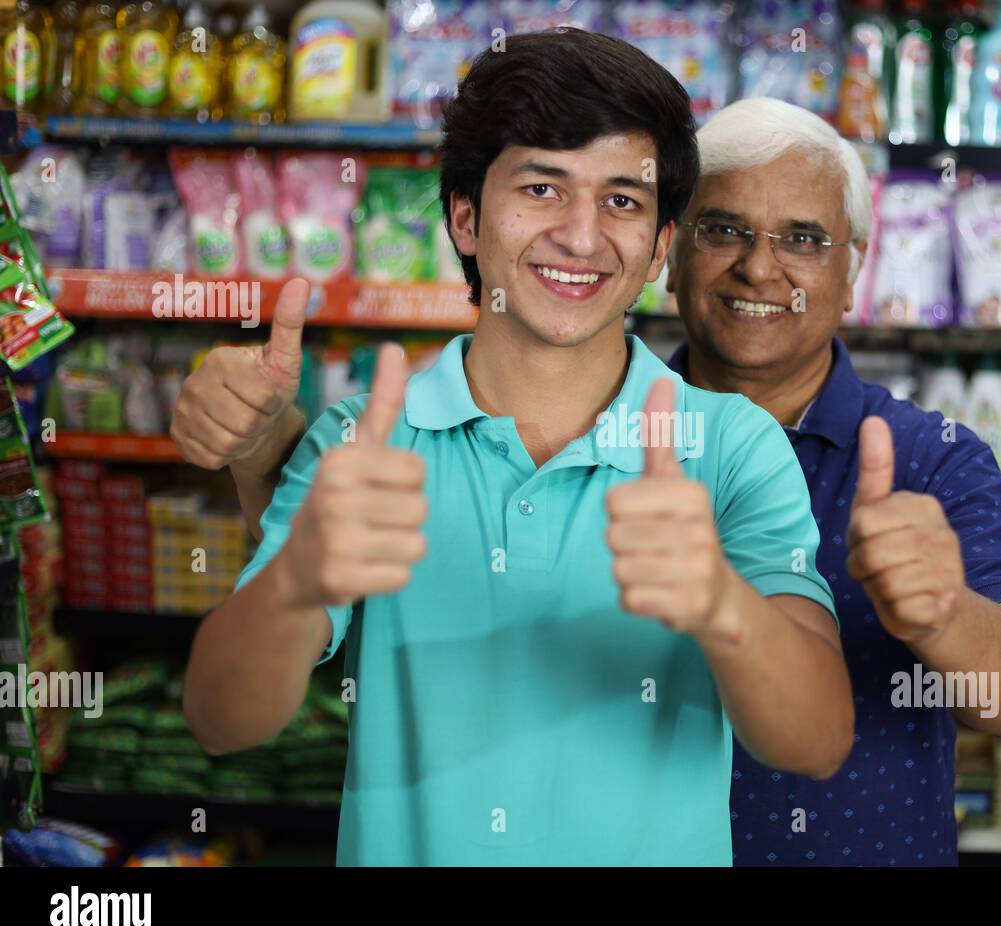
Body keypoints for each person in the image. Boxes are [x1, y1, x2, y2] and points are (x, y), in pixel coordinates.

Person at [178, 32, 853, 866]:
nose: (580, 235)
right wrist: (293, 586)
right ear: (465, 217)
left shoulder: (732, 446)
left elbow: (818, 740)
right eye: (542, 186)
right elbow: (218, 719)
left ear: (659, 247)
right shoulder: (363, 444)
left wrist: (719, 602)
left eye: (623, 200)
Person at [664, 97, 1001, 865]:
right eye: (722, 228)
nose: (758, 265)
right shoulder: (610, 440)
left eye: (804, 240)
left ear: (852, 274)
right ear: (673, 252)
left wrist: (943, 615)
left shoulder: (930, 457)